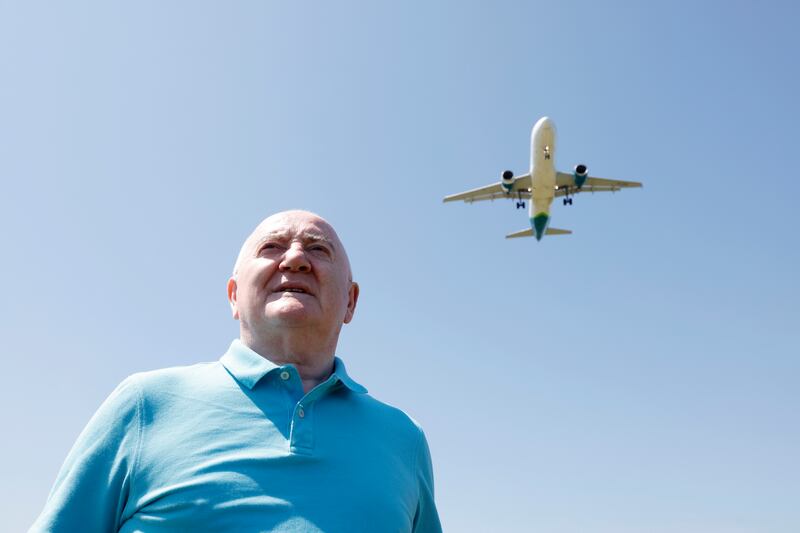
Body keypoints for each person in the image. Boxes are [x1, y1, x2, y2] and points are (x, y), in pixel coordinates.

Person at [31, 210, 442, 533]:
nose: (295, 258)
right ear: (233, 295)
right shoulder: (144, 405)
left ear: (351, 302)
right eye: (271, 247)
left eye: (319, 249)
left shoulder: (404, 438)